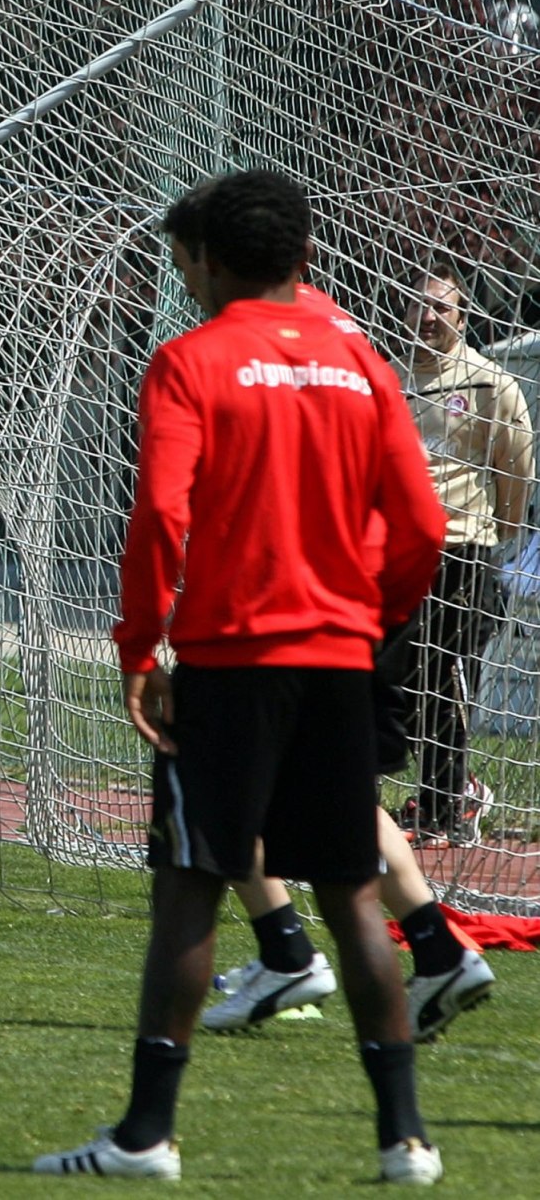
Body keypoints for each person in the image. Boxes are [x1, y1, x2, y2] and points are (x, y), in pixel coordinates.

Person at [36, 171, 448, 1184]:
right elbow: (425, 524)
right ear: (304, 254)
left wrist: (140, 645)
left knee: (189, 890)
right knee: (352, 890)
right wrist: (372, 613)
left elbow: (161, 515)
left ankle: (145, 1135)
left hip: (227, 658)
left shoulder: (190, 359)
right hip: (338, 656)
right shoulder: (363, 360)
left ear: (210, 260)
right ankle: (405, 1138)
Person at [201, 275, 499, 1042]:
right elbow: (416, 512)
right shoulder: (360, 350)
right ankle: (436, 948)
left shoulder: (239, 344)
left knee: (212, 781)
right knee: (333, 793)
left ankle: (286, 952)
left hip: (279, 604)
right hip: (351, 604)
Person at [400, 265, 531, 844]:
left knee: (448, 683)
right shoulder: (389, 378)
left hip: (461, 552)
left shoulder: (489, 382)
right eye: (419, 305)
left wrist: (495, 532)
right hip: (397, 556)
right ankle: (453, 791)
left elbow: (517, 467)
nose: (429, 316)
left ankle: (445, 806)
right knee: (398, 682)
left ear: (462, 315)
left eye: (442, 307)